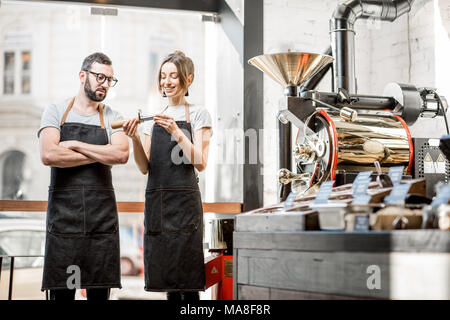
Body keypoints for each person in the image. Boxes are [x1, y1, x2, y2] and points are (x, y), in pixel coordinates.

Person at [123, 50, 212, 300]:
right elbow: (144, 166)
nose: (167, 82)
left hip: (185, 207)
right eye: (163, 76)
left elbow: (200, 162)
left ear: (189, 79)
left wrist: (176, 131)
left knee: (189, 282)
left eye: (173, 76)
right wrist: (135, 139)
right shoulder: (153, 117)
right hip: (159, 207)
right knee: (169, 282)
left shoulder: (198, 114)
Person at [38, 52, 129, 300]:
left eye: (110, 80)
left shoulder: (113, 115)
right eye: (100, 77)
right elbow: (49, 154)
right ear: (82, 76)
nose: (105, 84)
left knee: (100, 296)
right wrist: (102, 154)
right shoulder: (55, 111)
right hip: (64, 223)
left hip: (102, 224)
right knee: (62, 296)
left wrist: (75, 144)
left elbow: (121, 155)